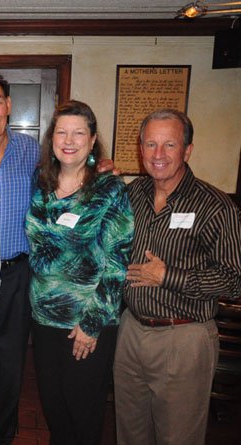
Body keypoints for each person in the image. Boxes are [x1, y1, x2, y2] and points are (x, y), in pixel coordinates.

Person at [114, 109, 241, 445]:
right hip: (131, 331)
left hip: (184, 337)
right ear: (140, 149)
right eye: (151, 144)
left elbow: (234, 279)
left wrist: (169, 275)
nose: (158, 155)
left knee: (178, 437)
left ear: (187, 150)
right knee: (130, 432)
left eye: (169, 145)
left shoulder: (216, 206)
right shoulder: (132, 195)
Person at [25, 100, 134, 444]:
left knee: (83, 412)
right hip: (43, 319)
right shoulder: (41, 183)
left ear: (92, 140)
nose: (68, 140)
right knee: (54, 409)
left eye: (78, 133)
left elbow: (117, 263)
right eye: (61, 132)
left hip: (86, 323)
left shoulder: (109, 190)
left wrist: (92, 323)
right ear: (51, 139)